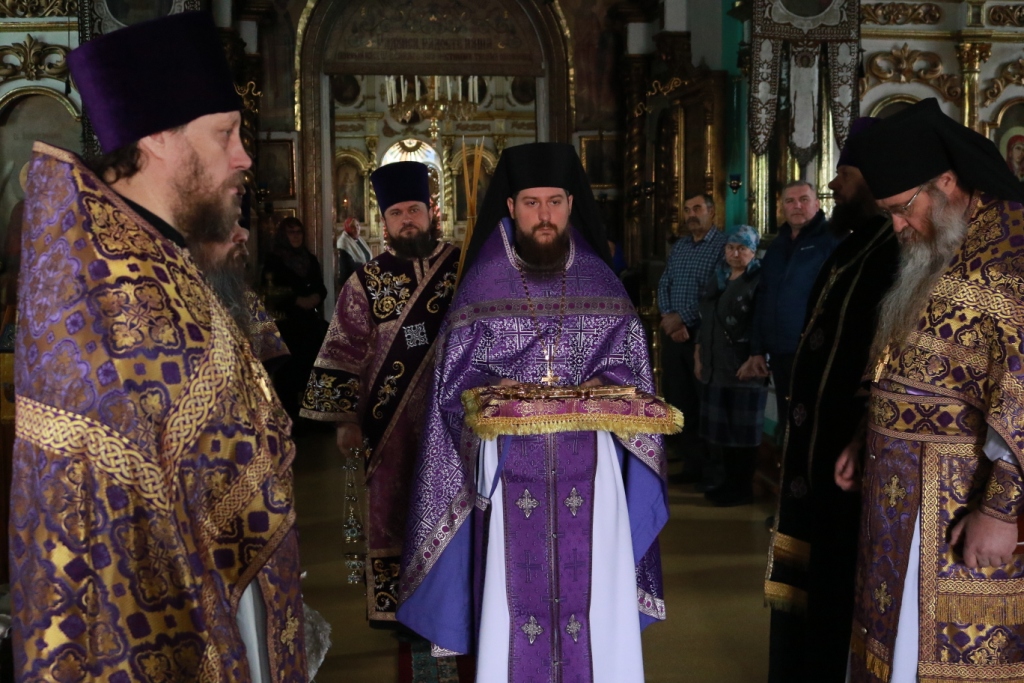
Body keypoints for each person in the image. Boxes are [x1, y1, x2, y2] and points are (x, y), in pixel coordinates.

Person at [12, 12, 307, 681]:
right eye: (225, 134)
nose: (244, 157)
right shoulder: (104, 285)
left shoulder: (160, 256)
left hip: (232, 590)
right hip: (159, 622)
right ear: (157, 138)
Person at [397, 142, 670, 683]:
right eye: (531, 203)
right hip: (508, 472)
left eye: (554, 202)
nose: (544, 216)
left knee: (596, 596)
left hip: (593, 473)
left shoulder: (601, 283)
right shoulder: (481, 285)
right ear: (511, 207)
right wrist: (491, 393)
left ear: (571, 204)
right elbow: (452, 388)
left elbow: (634, 372)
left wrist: (604, 386)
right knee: (511, 604)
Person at [834, 98, 1024, 683]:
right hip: (895, 491)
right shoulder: (938, 241)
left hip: (959, 497)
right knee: (893, 651)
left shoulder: (1012, 254)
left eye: (901, 208)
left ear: (945, 182)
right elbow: (906, 354)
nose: (896, 226)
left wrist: (1002, 511)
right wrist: (864, 435)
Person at [765, 118, 900, 683]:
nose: (833, 186)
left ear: (873, 177)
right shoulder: (857, 245)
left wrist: (862, 434)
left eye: (843, 174)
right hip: (818, 450)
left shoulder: (896, 249)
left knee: (839, 577)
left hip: (849, 455)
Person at [300, 160, 460, 625]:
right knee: (393, 510)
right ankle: (400, 611)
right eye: (396, 213)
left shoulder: (464, 268)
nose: (407, 220)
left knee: (455, 509)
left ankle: (455, 604)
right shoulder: (366, 282)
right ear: (384, 221)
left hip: (456, 420)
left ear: (431, 212)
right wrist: (345, 421)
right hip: (390, 428)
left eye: (414, 210)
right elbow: (342, 348)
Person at [741, 181, 842, 440]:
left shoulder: (833, 240)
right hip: (779, 352)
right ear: (781, 207)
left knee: (813, 422)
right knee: (788, 420)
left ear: (817, 204)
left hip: (814, 351)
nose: (797, 205)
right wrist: (757, 349)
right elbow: (763, 298)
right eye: (790, 201)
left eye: (803, 199)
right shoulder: (777, 246)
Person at [693, 225, 767, 507]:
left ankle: (741, 488)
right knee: (722, 431)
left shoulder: (758, 280)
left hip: (743, 367)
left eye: (742, 249)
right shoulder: (719, 277)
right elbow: (706, 318)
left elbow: (762, 323)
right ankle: (726, 483)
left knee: (742, 433)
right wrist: (699, 353)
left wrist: (756, 356)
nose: (735, 254)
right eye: (730, 248)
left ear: (753, 251)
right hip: (716, 365)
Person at [658, 193, 726, 489]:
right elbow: (664, 282)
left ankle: (712, 472)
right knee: (680, 400)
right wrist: (668, 317)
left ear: (712, 212)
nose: (691, 215)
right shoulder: (681, 246)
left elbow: (715, 291)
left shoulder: (723, 246)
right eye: (687, 210)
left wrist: (682, 319)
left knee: (705, 403)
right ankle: (691, 465)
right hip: (675, 337)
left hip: (703, 337)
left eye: (697, 208)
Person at [262, 215, 328, 420]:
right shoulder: (274, 260)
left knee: (313, 367)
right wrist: (297, 300)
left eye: (299, 232)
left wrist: (315, 297)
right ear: (284, 235)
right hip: (287, 323)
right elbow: (270, 291)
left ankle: (312, 415)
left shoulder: (310, 259)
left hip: (309, 322)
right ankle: (291, 417)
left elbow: (320, 286)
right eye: (291, 232)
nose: (296, 236)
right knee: (289, 372)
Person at [336, 216, 372, 291]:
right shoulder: (343, 242)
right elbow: (348, 266)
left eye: (357, 225)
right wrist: (366, 266)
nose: (356, 228)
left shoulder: (359, 239)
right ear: (347, 228)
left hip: (364, 278)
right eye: (352, 226)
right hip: (351, 282)